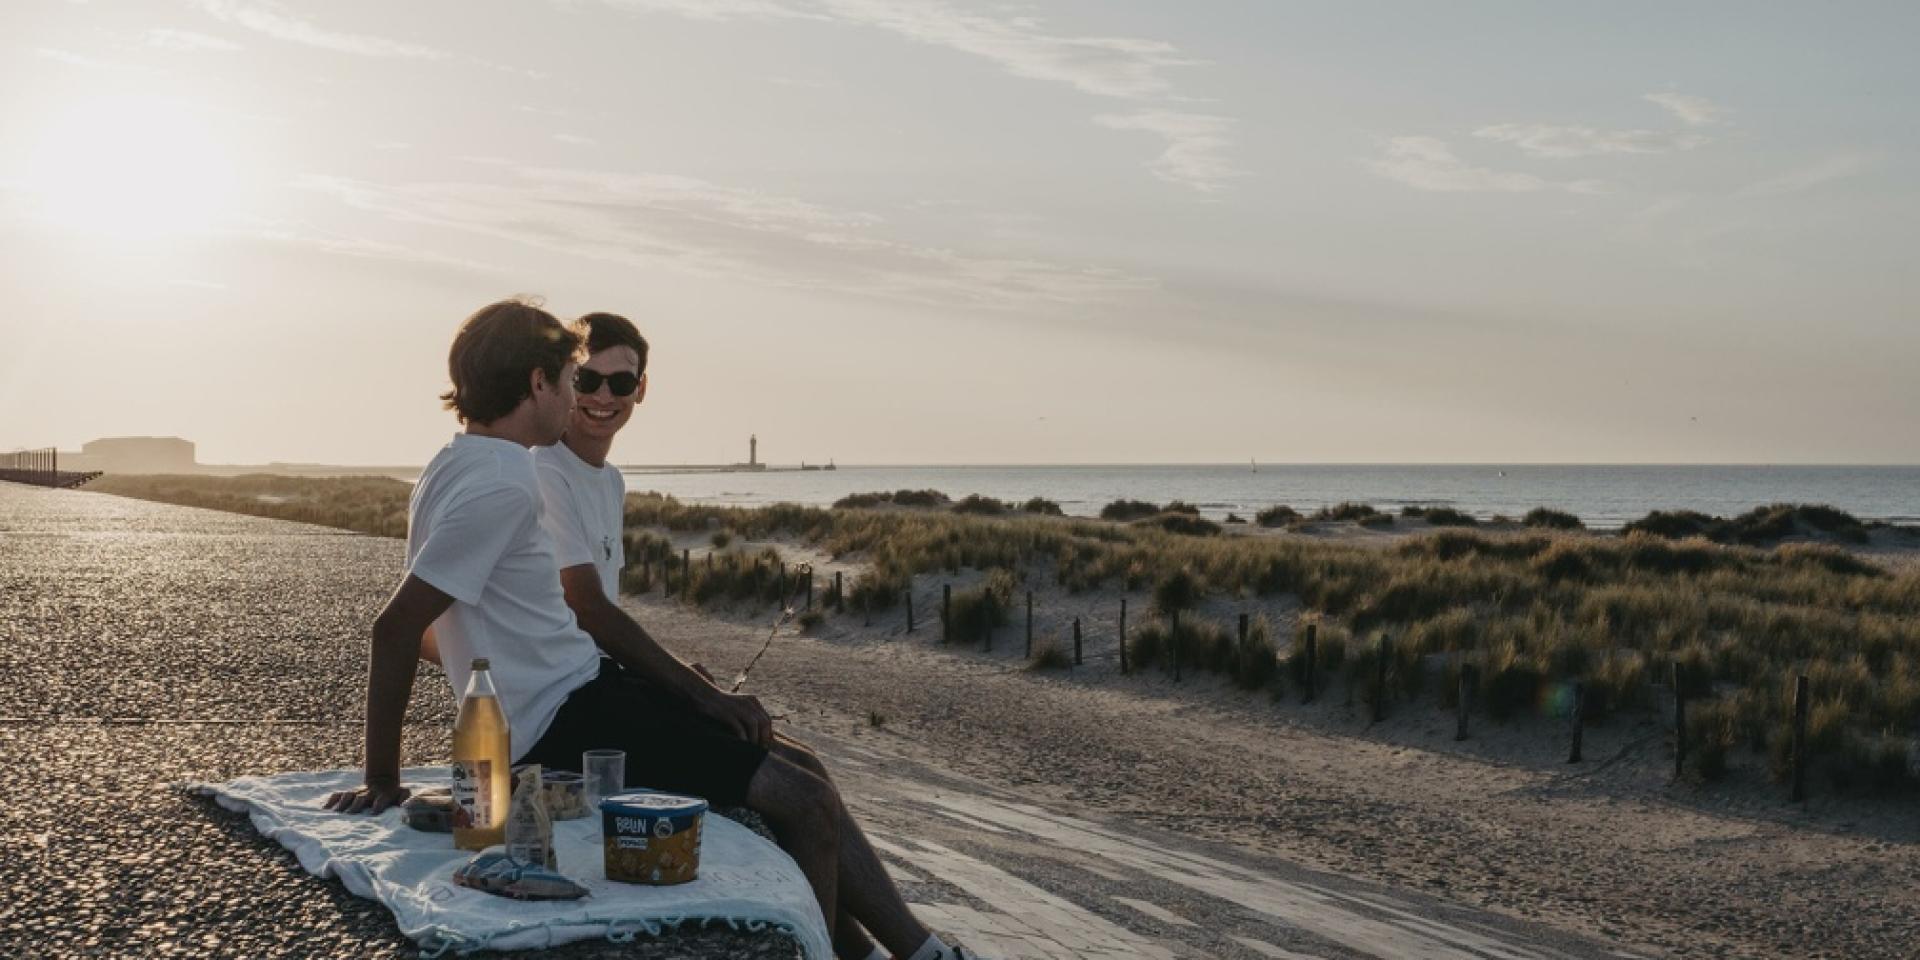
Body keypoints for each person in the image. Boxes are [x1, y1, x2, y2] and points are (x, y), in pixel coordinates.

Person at [326, 299, 986, 960]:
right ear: (537, 382)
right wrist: (382, 777)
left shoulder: (452, 465)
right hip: (561, 720)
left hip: (581, 692)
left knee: (796, 766)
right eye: (572, 380)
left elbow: (453, 620)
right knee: (803, 798)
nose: (579, 399)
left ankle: (877, 952)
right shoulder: (507, 482)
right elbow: (398, 625)